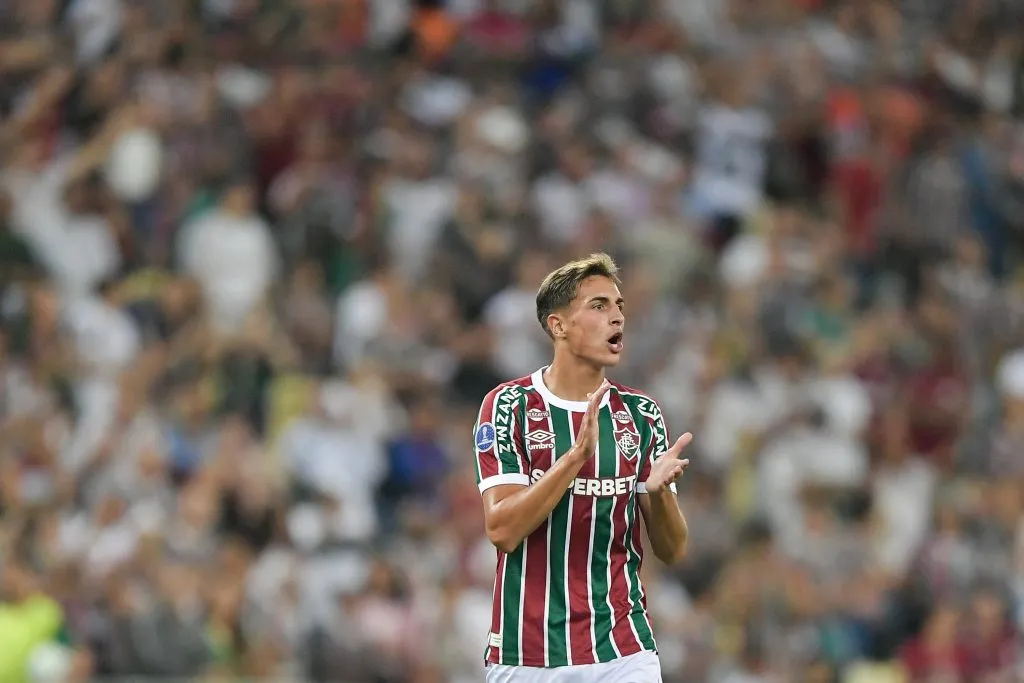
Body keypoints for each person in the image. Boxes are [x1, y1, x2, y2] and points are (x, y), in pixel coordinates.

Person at [473, 253, 692, 682]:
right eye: (599, 306)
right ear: (558, 326)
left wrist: (660, 493)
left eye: (619, 307)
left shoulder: (641, 414)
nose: (617, 318)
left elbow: (673, 550)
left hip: (622, 647)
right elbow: (502, 529)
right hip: (528, 651)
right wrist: (574, 458)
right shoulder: (509, 406)